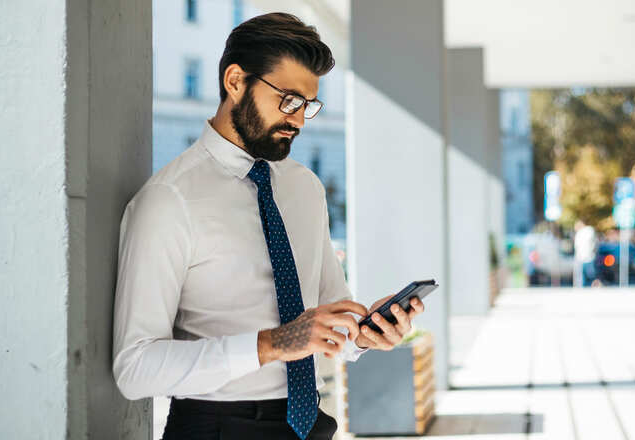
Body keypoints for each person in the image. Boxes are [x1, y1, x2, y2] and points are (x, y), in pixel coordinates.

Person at [112, 13, 424, 440]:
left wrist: (367, 332)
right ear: (236, 81)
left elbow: (327, 316)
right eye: (288, 99)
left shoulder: (304, 188)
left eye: (307, 105)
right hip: (217, 428)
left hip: (309, 424)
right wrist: (273, 344)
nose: (297, 119)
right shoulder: (168, 201)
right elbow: (135, 369)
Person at [573, 220, 597, 287]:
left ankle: (590, 286)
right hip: (583, 256)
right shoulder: (586, 231)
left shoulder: (587, 231)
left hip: (586, 256)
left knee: (589, 275)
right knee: (585, 275)